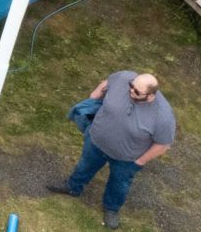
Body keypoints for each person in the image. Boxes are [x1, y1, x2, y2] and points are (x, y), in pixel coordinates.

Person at [50, 69, 175, 229]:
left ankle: (111, 208)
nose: (131, 91)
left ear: (150, 96)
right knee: (85, 165)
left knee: (119, 184)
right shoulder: (124, 77)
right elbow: (107, 83)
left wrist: (140, 161)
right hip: (96, 141)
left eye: (137, 92)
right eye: (131, 85)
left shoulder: (163, 117)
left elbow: (163, 144)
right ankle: (73, 187)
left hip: (126, 159)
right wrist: (93, 97)